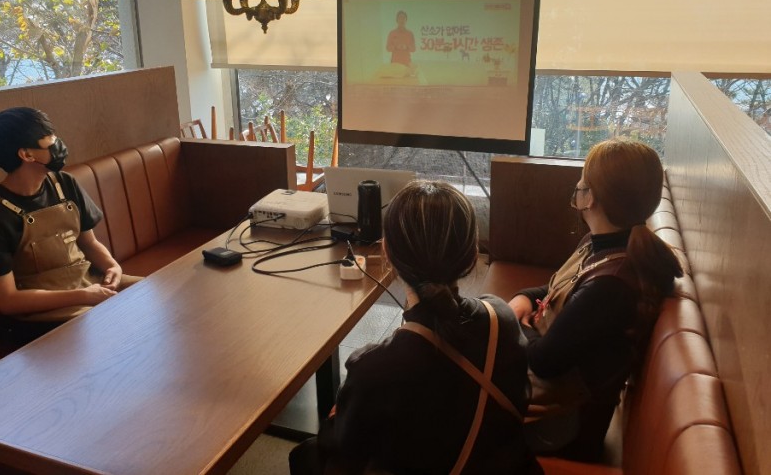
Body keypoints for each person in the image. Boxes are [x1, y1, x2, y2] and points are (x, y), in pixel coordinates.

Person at [290, 181, 542, 475]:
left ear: (387, 252)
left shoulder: (374, 369)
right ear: (473, 254)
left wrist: (340, 413)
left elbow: (343, 457)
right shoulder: (501, 318)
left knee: (303, 456)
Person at [507, 139, 683, 461]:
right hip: (555, 402)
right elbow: (557, 288)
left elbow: (543, 361)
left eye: (582, 180)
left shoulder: (610, 286)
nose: (577, 186)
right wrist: (523, 300)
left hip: (559, 428)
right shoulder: (603, 245)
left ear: (589, 198)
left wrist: (519, 322)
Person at [0, 107, 141, 339]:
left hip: (91, 284)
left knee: (158, 293)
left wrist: (112, 267)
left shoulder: (64, 184)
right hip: (44, 315)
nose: (58, 142)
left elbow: (89, 243)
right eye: (50, 137)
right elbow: (7, 301)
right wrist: (83, 296)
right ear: (27, 154)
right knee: (123, 330)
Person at [385, 10, 416, 75]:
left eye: (403, 18)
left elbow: (413, 49)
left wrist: (406, 47)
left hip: (406, 63)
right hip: (395, 63)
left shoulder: (410, 34)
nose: (402, 20)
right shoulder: (392, 33)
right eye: (400, 18)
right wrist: (396, 47)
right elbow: (388, 48)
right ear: (397, 20)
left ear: (406, 20)